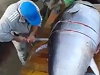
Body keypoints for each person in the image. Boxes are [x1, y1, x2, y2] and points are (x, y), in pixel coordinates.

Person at [0, 0, 42, 65]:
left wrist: (32, 33)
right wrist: (16, 38)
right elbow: (1, 34)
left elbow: (38, 21)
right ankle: (25, 63)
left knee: (35, 42)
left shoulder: (33, 7)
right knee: (22, 50)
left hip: (29, 27)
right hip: (17, 34)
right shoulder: (8, 19)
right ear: (23, 17)